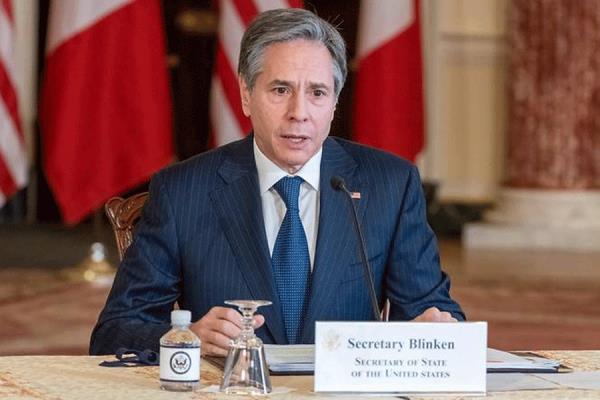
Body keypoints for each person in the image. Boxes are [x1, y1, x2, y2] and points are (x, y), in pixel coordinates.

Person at [90, 8, 464, 356]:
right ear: (246, 94)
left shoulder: (390, 186)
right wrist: (188, 337)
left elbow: (434, 315)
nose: (299, 113)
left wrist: (435, 330)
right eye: (280, 90)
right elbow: (114, 332)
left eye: (317, 93)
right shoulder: (182, 191)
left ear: (335, 102)